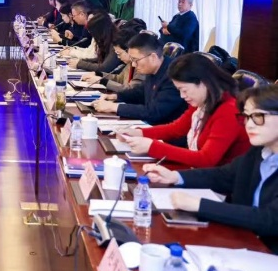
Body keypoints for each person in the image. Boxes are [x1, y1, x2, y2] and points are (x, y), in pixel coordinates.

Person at [143, 85, 278, 254]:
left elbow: (270, 219)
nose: (249, 125)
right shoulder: (260, 151)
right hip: (243, 241)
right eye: (246, 117)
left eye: (258, 116)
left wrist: (199, 205)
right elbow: (224, 176)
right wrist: (175, 176)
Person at [117, 53, 250, 167]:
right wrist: (138, 132)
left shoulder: (229, 110)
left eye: (184, 90)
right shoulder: (203, 101)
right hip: (200, 174)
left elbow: (206, 159)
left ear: (203, 83)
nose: (182, 96)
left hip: (219, 184)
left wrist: (152, 146)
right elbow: (177, 128)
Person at [92, 32, 186, 125]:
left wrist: (114, 107)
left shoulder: (174, 75)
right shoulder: (153, 69)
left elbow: (154, 111)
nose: (133, 64)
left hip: (165, 130)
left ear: (153, 57)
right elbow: (140, 92)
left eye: (135, 60)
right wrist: (116, 96)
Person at [81, 26, 146, 93]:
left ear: (128, 50)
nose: (118, 57)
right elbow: (119, 79)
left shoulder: (141, 67)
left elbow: (130, 90)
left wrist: (102, 81)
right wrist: (98, 74)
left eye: (119, 53)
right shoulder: (129, 64)